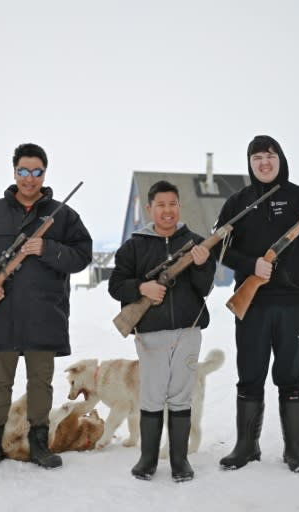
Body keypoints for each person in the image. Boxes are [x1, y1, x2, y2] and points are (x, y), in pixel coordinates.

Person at [0, 142, 92, 475]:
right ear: (14, 171)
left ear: (44, 173)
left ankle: (39, 443)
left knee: (40, 383)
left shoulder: (63, 216)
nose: (29, 178)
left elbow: (82, 255)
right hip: (0, 314)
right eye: (23, 171)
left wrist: (46, 248)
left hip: (44, 315)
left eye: (36, 172)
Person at [215, 135, 299, 473]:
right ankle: (246, 447)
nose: (264, 163)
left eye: (270, 155)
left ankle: (294, 451)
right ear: (250, 164)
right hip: (252, 304)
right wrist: (251, 265)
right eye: (257, 158)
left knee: (291, 376)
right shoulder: (237, 202)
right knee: (249, 376)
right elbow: (218, 248)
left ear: (280, 158)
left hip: (293, 303)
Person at [108, 180, 216, 483]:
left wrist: (202, 265)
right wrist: (142, 287)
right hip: (151, 335)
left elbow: (204, 288)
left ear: (179, 206)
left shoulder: (195, 242)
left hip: (188, 330)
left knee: (182, 396)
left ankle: (180, 460)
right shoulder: (133, 246)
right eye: (161, 205)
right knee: (153, 396)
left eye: (173, 204)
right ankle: (148, 458)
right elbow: (116, 285)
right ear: (149, 208)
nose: (167, 211)